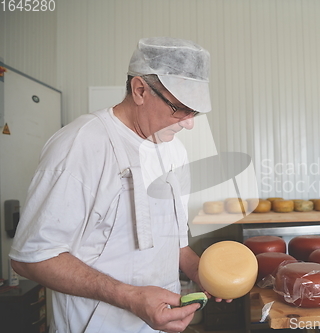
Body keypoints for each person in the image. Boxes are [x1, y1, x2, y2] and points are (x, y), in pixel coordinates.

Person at [9, 37, 222, 333]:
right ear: (139, 90)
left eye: (195, 112)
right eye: (180, 108)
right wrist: (132, 298)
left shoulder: (175, 151)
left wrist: (199, 270)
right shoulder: (81, 144)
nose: (189, 124)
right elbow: (31, 258)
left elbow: (172, 242)